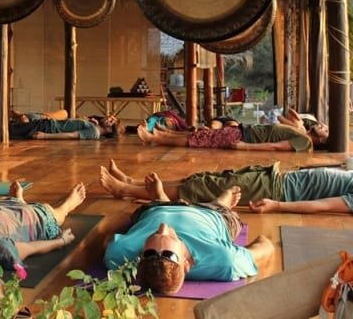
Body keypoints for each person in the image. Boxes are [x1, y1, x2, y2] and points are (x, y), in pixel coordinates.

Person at [103, 174, 274, 294]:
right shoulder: (224, 261)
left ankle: (161, 198)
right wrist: (242, 251)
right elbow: (265, 246)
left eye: (155, 234)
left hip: (157, 209)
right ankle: (222, 202)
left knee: (150, 211)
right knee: (221, 206)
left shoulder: (119, 255)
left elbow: (108, 239)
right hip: (212, 215)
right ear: (187, 263)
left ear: (140, 257)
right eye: (171, 236)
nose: (163, 227)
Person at [100, 159, 353, 214]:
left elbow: (321, 205)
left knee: (202, 189)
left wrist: (276, 205)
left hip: (276, 190)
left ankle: (125, 191)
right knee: (201, 180)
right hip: (277, 178)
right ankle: (133, 183)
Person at [136, 119, 324, 151]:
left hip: (245, 138)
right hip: (244, 131)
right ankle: (159, 136)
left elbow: (277, 146)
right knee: (202, 136)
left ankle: (154, 139)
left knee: (199, 140)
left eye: (327, 130)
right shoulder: (303, 133)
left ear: (323, 139)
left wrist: (246, 147)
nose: (323, 125)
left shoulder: (305, 142)